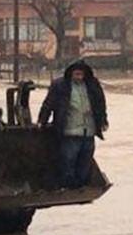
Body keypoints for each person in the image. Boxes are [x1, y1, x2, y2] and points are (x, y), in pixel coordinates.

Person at [38, 60, 107, 188]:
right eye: (76, 70)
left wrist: (103, 121)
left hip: (89, 131)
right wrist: (42, 121)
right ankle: (68, 186)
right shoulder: (60, 86)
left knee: (85, 161)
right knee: (68, 160)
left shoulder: (92, 85)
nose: (78, 73)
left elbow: (100, 104)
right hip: (69, 131)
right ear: (70, 72)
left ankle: (81, 186)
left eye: (81, 70)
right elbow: (48, 104)